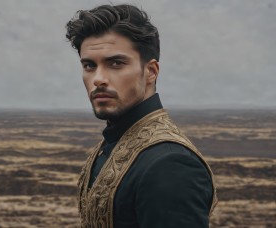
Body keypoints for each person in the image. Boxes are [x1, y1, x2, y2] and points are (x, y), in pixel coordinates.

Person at [65, 4, 217, 228]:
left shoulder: (170, 164)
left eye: (116, 63)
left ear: (151, 72)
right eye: (89, 65)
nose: (98, 79)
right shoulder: (110, 146)